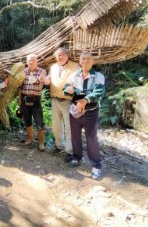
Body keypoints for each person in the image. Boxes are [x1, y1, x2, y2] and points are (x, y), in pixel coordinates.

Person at [63, 51, 105, 180]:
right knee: (75, 135)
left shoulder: (98, 76)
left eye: (88, 59)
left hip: (90, 111)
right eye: (83, 59)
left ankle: (96, 166)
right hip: (75, 110)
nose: (85, 61)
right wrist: (68, 90)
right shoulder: (74, 75)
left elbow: (98, 92)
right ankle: (77, 157)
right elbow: (65, 89)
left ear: (93, 62)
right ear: (80, 61)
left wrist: (85, 100)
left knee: (91, 137)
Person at [44, 48, 79, 162]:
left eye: (62, 55)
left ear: (67, 55)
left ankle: (69, 151)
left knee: (69, 127)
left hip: (68, 101)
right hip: (55, 100)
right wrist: (44, 80)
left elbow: (81, 82)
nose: (60, 57)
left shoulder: (75, 66)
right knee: (56, 125)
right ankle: (59, 146)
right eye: (58, 55)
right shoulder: (53, 67)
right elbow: (48, 80)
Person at [18, 53, 47, 152]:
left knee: (39, 121)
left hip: (36, 100)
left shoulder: (41, 71)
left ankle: (41, 142)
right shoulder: (23, 72)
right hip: (25, 98)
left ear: (37, 62)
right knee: (27, 120)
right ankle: (30, 139)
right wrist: (20, 100)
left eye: (33, 60)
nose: (31, 62)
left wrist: (36, 79)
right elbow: (20, 87)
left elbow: (41, 79)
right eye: (29, 60)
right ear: (27, 62)